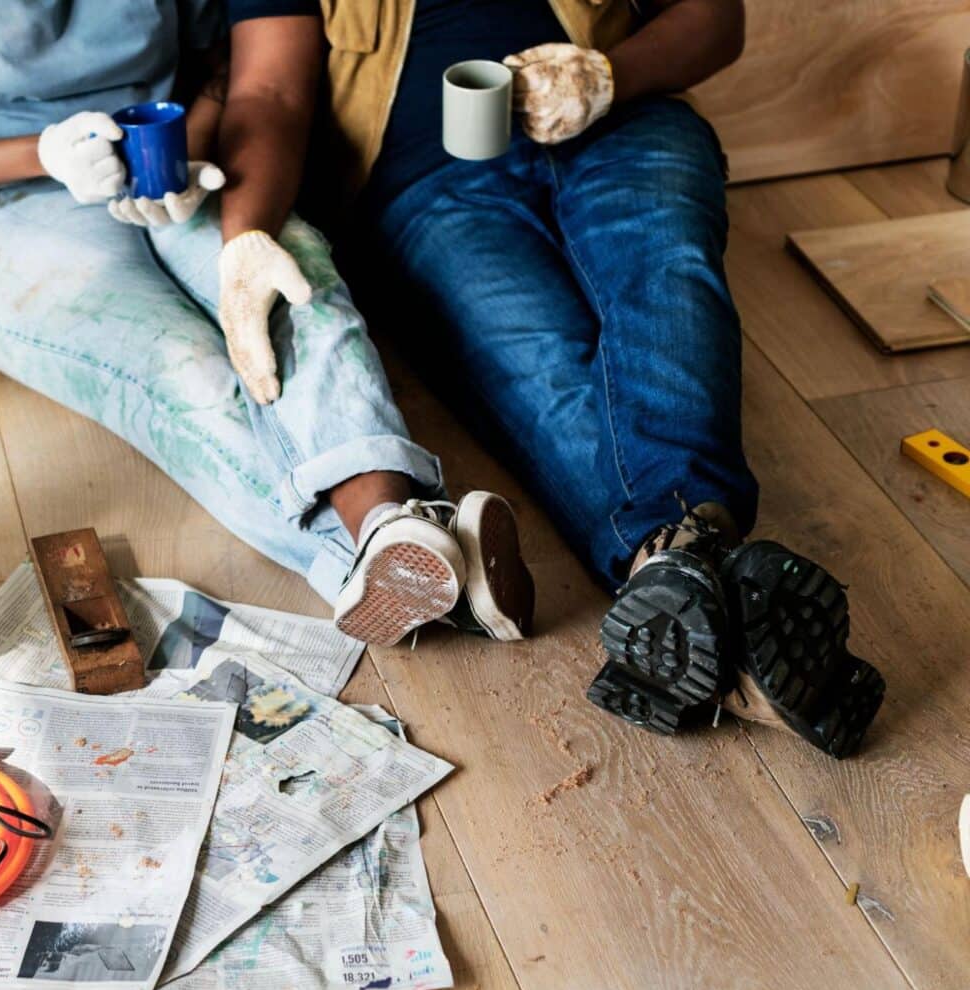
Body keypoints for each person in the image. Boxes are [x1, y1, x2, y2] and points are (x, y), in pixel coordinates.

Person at [222, 0, 884, 756]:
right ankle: (703, 578)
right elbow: (268, 91)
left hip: (622, 123)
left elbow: (714, 20)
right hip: (430, 182)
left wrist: (608, 76)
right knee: (539, 366)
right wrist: (246, 235)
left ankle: (671, 571)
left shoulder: (616, 94)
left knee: (664, 273)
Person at [0, 0, 535, 647]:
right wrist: (43, 153)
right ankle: (410, 561)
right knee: (183, 366)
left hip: (166, 162)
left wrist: (186, 150)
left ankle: (392, 530)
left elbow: (216, 64)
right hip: (3, 206)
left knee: (290, 286)